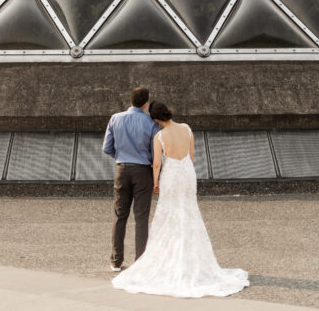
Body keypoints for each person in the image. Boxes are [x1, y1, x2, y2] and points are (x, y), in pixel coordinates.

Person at [111, 101, 249, 298]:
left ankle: (171, 259)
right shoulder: (186, 128)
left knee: (169, 215)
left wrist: (156, 183)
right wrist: (184, 170)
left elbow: (157, 163)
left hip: (171, 176)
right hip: (187, 174)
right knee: (189, 212)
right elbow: (191, 155)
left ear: (156, 119)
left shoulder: (159, 136)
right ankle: (193, 260)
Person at [103, 86, 159, 272]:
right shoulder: (150, 123)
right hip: (143, 171)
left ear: (131, 100)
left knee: (120, 216)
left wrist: (121, 156)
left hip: (122, 169)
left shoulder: (115, 118)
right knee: (141, 217)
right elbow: (155, 152)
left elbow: (107, 148)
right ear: (145, 104)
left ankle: (116, 261)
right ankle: (140, 261)